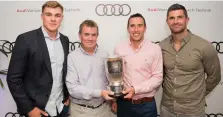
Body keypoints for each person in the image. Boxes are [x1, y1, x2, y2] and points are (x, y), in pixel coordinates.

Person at [7, 1, 70, 117]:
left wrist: (67, 95)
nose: (53, 19)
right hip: (38, 110)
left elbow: (63, 71)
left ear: (62, 18)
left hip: (61, 108)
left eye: (57, 15)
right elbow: (13, 78)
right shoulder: (26, 39)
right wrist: (29, 109)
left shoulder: (65, 40)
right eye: (48, 14)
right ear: (42, 17)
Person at [159, 3, 221, 117]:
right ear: (167, 21)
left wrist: (198, 94)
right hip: (167, 109)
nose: (175, 21)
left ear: (187, 19)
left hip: (193, 111)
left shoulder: (204, 46)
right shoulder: (162, 46)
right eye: (172, 18)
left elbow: (215, 76)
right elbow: (160, 75)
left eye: (180, 17)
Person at [113, 13, 163, 117]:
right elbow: (116, 76)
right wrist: (114, 99)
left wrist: (135, 89)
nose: (136, 29)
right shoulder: (119, 48)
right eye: (132, 26)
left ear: (145, 28)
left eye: (139, 25)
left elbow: (158, 78)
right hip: (124, 103)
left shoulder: (155, 49)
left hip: (147, 106)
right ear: (128, 29)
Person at [66, 20, 114, 117]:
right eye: (86, 34)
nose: (90, 38)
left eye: (93, 35)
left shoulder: (105, 55)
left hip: (104, 109)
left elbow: (109, 80)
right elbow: (73, 88)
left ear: (97, 36)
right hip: (81, 111)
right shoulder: (72, 57)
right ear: (80, 36)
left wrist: (114, 98)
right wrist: (99, 93)